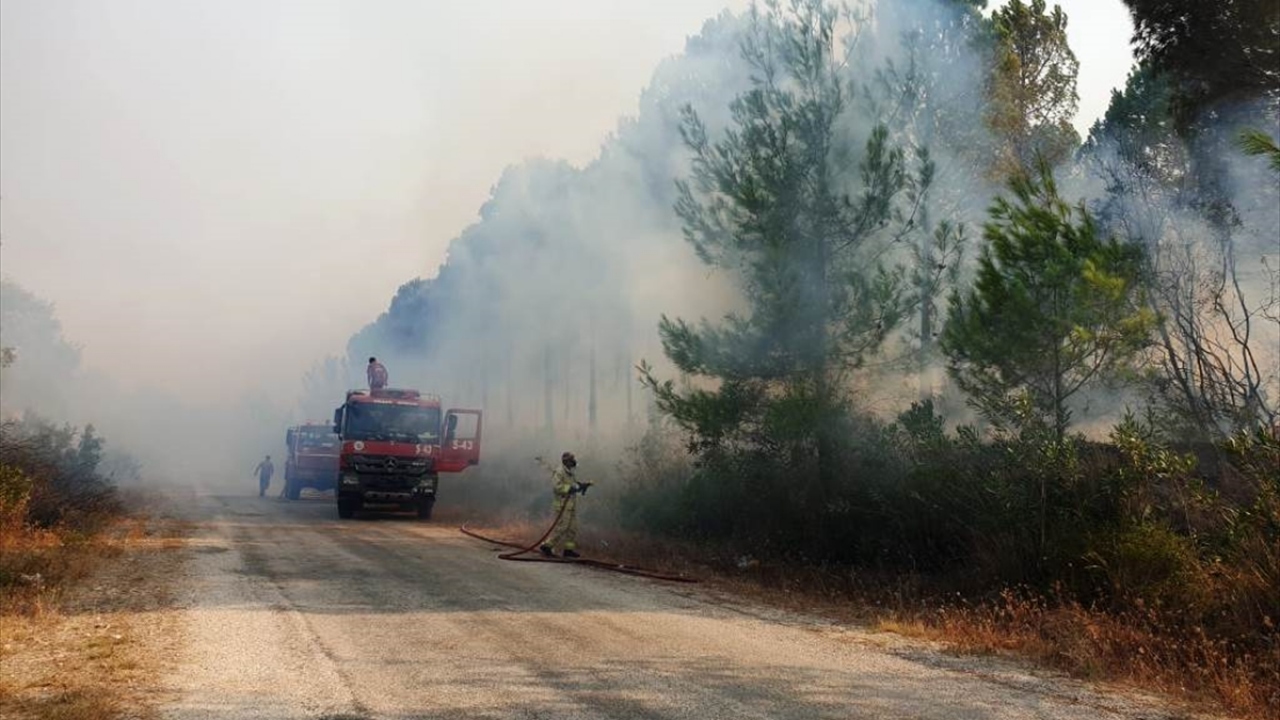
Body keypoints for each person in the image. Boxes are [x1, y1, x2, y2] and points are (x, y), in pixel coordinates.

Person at [537, 451, 592, 558]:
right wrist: (570, 488)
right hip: (562, 505)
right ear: (566, 461)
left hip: (571, 505)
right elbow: (557, 487)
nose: (574, 461)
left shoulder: (570, 472)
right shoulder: (559, 472)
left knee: (573, 528)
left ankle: (568, 550)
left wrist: (581, 485)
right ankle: (547, 546)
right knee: (562, 527)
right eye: (572, 460)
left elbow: (573, 485)